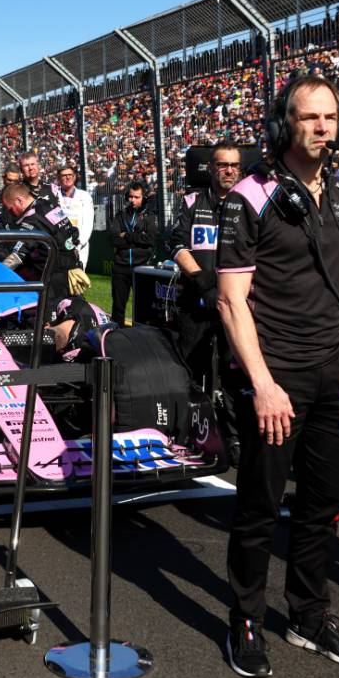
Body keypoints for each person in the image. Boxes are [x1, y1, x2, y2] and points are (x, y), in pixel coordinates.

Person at [216, 75, 339, 678]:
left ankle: (309, 614)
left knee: (322, 505)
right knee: (260, 507)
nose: (321, 127)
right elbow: (232, 300)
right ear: (283, 124)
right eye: (309, 117)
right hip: (277, 377)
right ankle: (246, 617)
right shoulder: (249, 197)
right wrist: (262, 383)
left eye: (330, 117)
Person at [167, 140, 242, 462]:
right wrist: (201, 278)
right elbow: (176, 244)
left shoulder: (247, 204)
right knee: (191, 367)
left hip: (236, 303)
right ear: (211, 168)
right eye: (222, 165)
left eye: (234, 165)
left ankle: (235, 437)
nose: (229, 171)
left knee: (234, 370)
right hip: (196, 300)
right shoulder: (191, 201)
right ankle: (188, 431)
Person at [0, 181, 86, 324]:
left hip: (55, 279)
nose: (10, 213)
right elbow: (74, 234)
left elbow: (17, 255)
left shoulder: (32, 220)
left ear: (19, 200)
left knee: (50, 324)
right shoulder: (48, 205)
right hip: (72, 270)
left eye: (11, 209)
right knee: (76, 313)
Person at [109, 181, 156, 325]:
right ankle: (116, 333)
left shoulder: (149, 216)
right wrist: (138, 238)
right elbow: (113, 239)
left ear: (143, 198)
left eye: (137, 197)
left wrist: (127, 235)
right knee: (118, 306)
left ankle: (141, 334)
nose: (133, 200)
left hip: (142, 267)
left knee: (143, 306)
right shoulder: (120, 215)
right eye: (130, 197)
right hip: (121, 266)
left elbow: (150, 239)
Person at [56, 165, 94, 267]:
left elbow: (88, 224)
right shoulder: (54, 195)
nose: (68, 177)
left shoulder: (85, 196)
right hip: (58, 245)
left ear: (75, 177)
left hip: (79, 246)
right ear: (58, 178)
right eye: (64, 175)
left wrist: (79, 243)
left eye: (70, 175)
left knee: (76, 275)